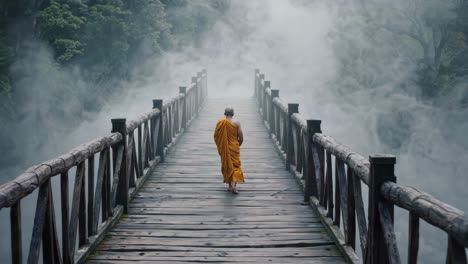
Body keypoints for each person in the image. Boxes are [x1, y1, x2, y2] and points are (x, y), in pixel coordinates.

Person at [213, 107, 245, 194]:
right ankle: (234, 186)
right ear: (233, 114)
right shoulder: (237, 124)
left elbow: (216, 136)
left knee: (227, 164)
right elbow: (241, 137)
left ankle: (230, 186)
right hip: (234, 147)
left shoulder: (220, 123)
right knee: (235, 166)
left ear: (224, 113)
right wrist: (238, 145)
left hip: (225, 147)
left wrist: (222, 145)